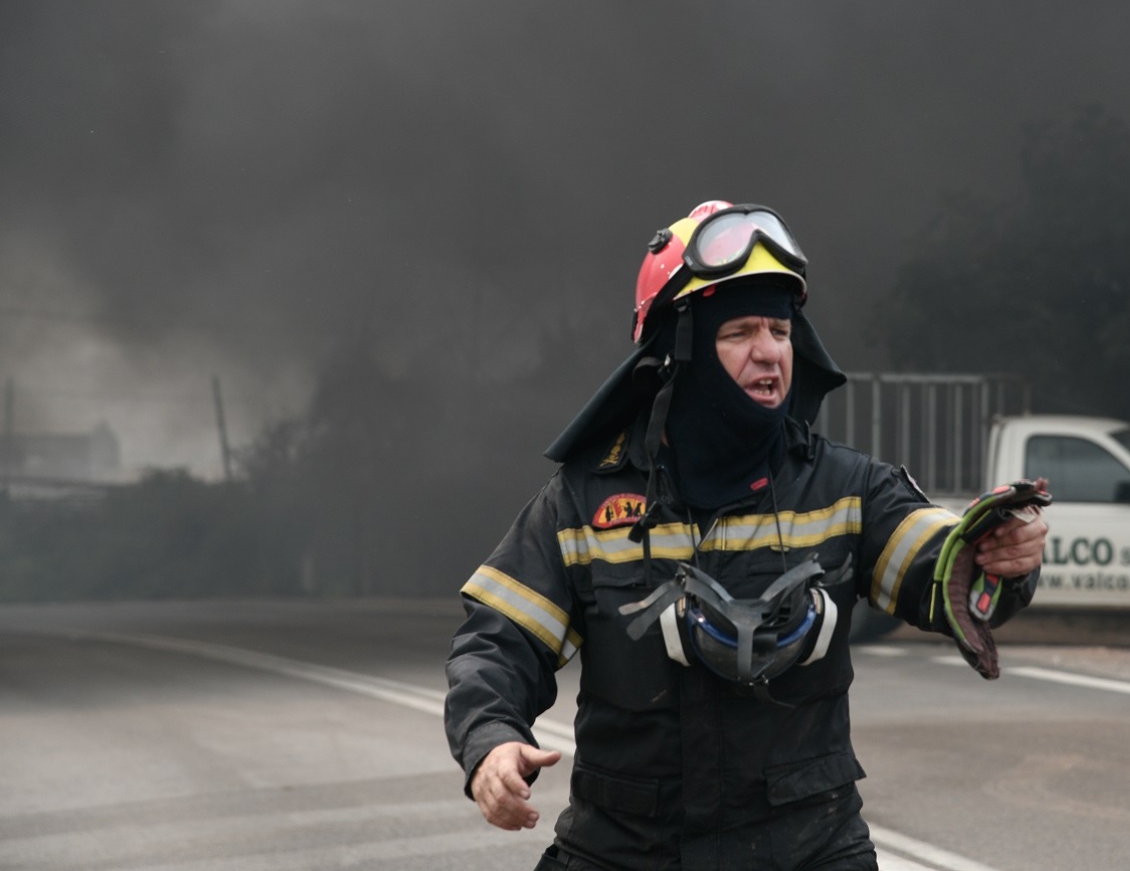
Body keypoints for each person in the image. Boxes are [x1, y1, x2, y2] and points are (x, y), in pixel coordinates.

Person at [444, 200, 1048, 871]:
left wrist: (998, 555)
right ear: (679, 352)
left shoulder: (846, 489)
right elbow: (497, 643)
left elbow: (941, 563)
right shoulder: (584, 503)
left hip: (808, 851)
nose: (769, 351)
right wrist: (490, 741)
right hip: (625, 851)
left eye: (780, 330)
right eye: (739, 331)